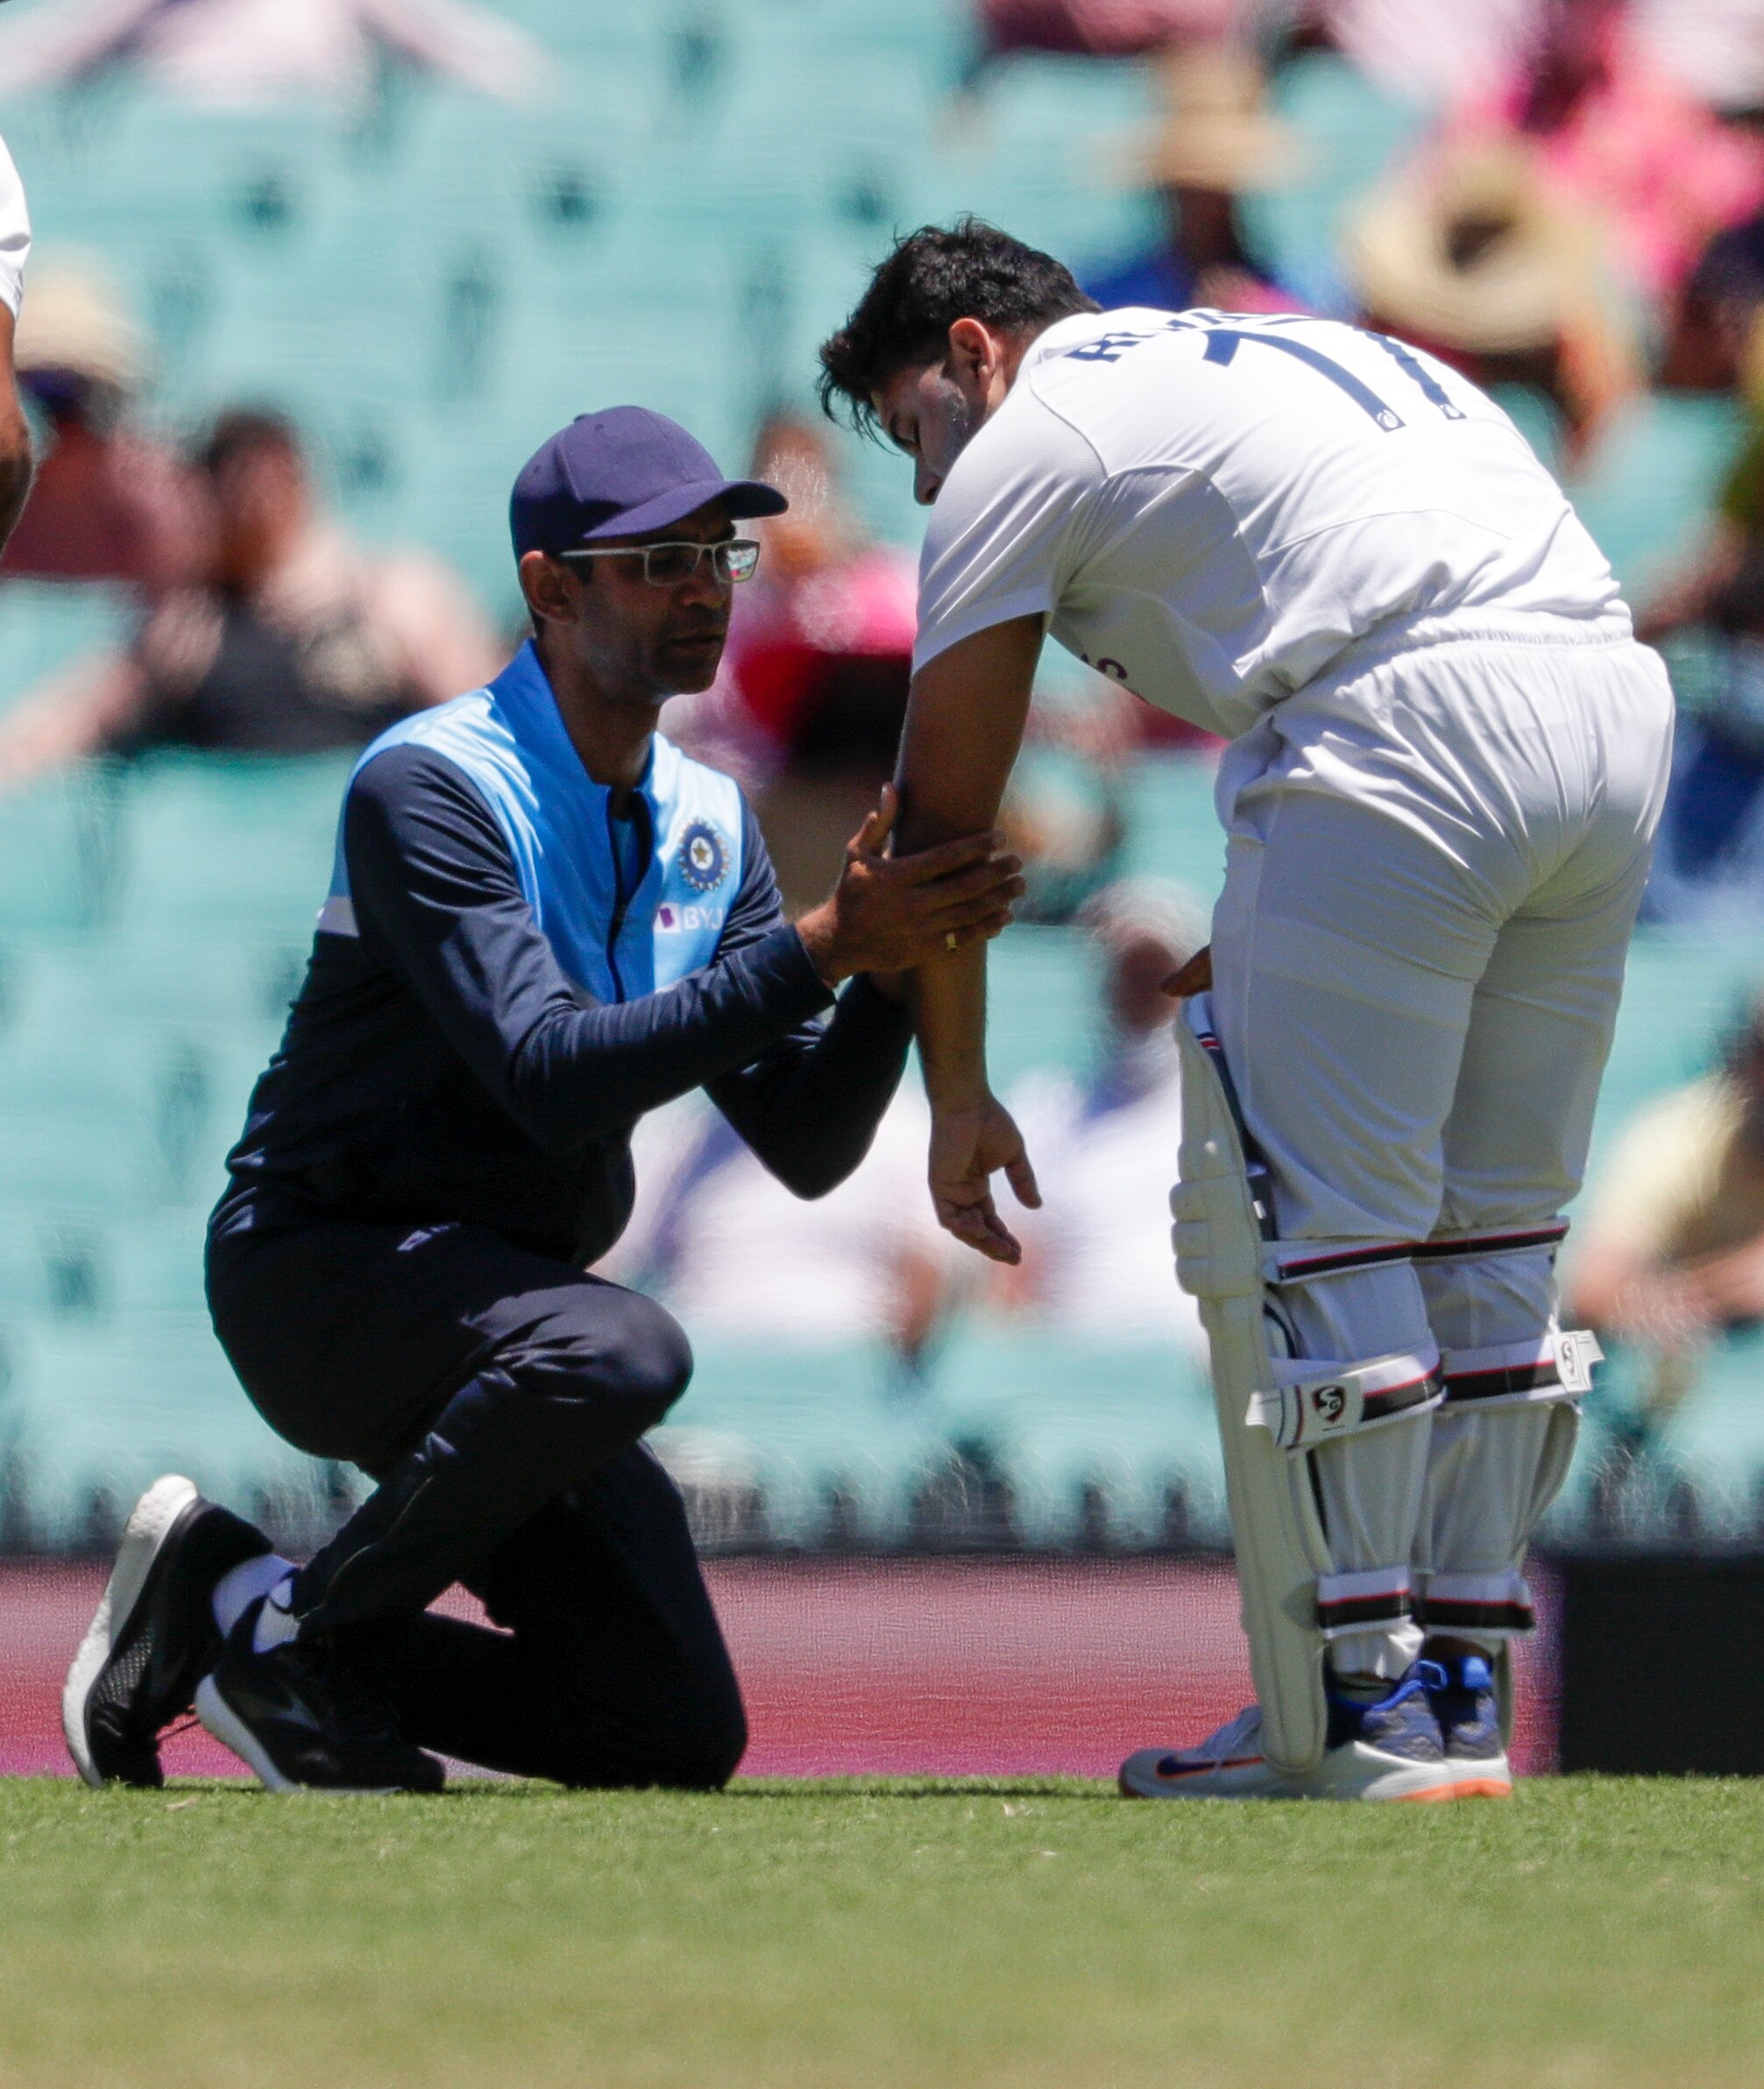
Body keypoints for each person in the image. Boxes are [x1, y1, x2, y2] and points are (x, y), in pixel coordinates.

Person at [817, 217, 1672, 1801]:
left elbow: (938, 828)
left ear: (969, 351)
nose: (927, 483)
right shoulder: (1313, 350)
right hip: (1609, 706)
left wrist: (953, 1091)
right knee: (1495, 1231)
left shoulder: (1033, 431)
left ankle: (1359, 1700)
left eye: (913, 430)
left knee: (1324, 1223)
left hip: (1394, 716)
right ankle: (1464, 1685)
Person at [60, 405, 1024, 1795]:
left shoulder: (706, 816)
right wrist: (826, 948)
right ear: (550, 588)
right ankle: (293, 1643)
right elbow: (546, 1079)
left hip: (506, 1316)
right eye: (656, 563)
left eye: (716, 558)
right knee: (627, 1351)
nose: (701, 590)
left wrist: (889, 966)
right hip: (321, 1272)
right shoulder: (433, 784)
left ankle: (224, 1601)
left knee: (669, 1727)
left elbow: (806, 1147)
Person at [0, 408, 500, 786]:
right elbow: (68, 724)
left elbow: (491, 742)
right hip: (213, 873)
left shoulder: (391, 599)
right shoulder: (191, 625)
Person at [1001, 878, 1206, 1350]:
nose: (1143, 993)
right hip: (1072, 1382)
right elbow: (1009, 1277)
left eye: (1160, 977)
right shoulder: (1044, 1112)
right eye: (1128, 977)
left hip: (1207, 1374)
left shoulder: (1240, 1114)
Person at [1569, 995, 1764, 1420]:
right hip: (1688, 1354)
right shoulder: (1682, 1136)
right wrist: (1713, 1292)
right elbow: (1593, 1290)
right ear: (1747, 1062)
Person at [0, 258, 202, 591]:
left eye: (65, 393)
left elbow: (176, 608)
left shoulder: (153, 500)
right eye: (36, 388)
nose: (52, 422)